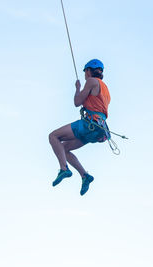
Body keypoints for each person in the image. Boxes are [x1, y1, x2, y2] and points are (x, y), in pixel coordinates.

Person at [48, 59, 111, 195]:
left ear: (88, 70)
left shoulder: (91, 81)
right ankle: (84, 175)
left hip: (88, 124)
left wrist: (77, 88)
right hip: (98, 130)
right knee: (63, 149)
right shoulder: (105, 89)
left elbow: (77, 102)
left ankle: (64, 168)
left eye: (85, 72)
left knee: (53, 136)